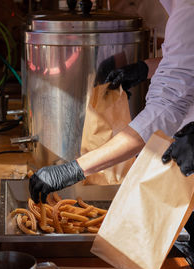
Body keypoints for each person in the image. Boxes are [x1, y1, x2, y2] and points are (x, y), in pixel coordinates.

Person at [29, 0, 194, 204]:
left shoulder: (188, 10)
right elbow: (187, 60)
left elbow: (165, 110)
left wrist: (74, 169)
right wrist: (145, 68)